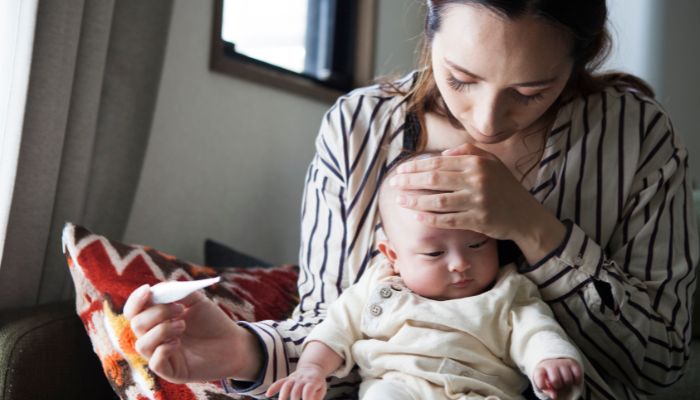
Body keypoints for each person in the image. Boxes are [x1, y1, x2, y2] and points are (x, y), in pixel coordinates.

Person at [123, 1, 699, 398]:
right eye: (461, 78)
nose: (486, 119)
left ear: (582, 57)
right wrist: (241, 352)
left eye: (531, 92)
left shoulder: (637, 139)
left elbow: (659, 364)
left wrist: (532, 228)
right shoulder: (357, 131)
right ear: (430, 23)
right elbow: (335, 332)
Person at [265, 155, 584, 400]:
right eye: (434, 254)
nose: (460, 263)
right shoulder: (378, 285)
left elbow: (536, 331)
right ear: (393, 256)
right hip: (400, 386)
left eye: (477, 244)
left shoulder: (508, 290)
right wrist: (311, 369)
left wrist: (551, 361)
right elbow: (335, 328)